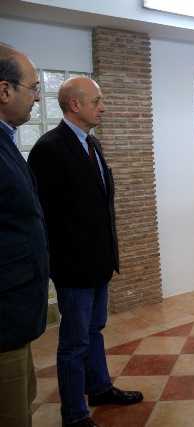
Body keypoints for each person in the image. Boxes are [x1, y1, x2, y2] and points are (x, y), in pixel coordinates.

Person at [28, 77, 142, 427]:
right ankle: (74, 414)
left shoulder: (92, 144)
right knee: (74, 341)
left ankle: (100, 388)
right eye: (96, 101)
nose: (102, 107)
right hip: (73, 266)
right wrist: (56, 263)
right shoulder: (49, 148)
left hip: (98, 261)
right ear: (75, 105)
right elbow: (43, 215)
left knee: (94, 330)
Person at [0, 43, 49, 427]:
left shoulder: (6, 139)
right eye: (33, 88)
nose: (37, 97)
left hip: (17, 311)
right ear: (5, 90)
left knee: (23, 402)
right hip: (4, 315)